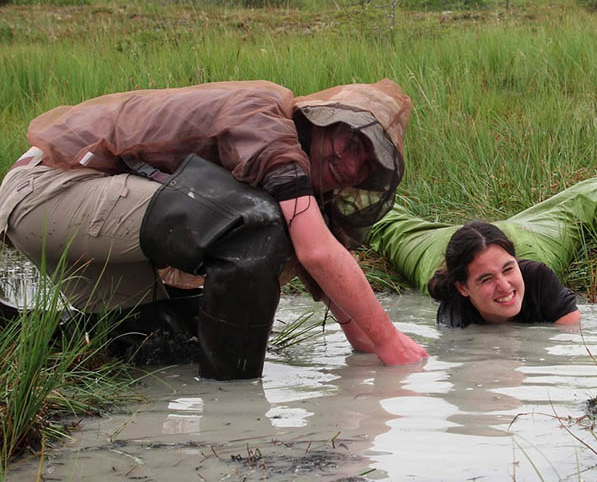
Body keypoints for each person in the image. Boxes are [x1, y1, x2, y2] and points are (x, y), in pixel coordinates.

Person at [0, 79, 427, 379]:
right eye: (351, 144)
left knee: (162, 349)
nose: (351, 165)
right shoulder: (265, 122)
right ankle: (232, 394)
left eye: (365, 165)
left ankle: (15, 331)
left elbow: (328, 265)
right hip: (52, 188)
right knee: (259, 225)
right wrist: (392, 343)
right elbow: (315, 250)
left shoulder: (293, 164)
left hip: (82, 222)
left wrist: (371, 344)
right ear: (318, 123)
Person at [427, 221, 581, 328]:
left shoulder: (538, 278)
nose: (505, 286)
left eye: (508, 269)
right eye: (487, 279)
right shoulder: (454, 314)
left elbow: (570, 342)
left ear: (516, 261)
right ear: (463, 288)